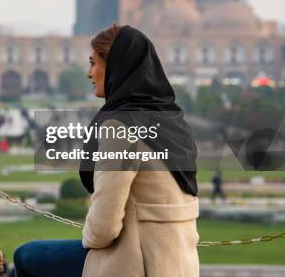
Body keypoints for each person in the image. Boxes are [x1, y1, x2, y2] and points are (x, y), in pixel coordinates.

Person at [12, 24, 199, 277]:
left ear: (116, 67)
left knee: (27, 256)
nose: (89, 73)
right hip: (178, 263)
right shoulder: (173, 121)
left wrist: (91, 241)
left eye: (94, 63)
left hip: (137, 264)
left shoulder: (119, 128)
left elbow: (104, 228)